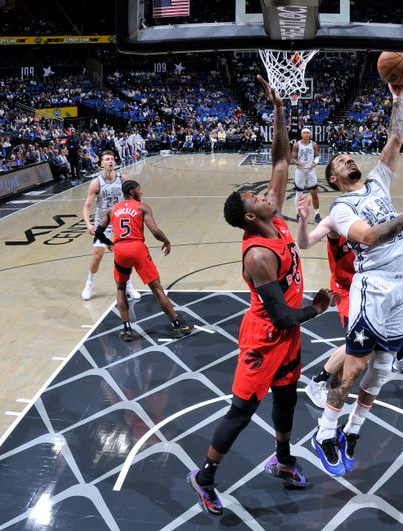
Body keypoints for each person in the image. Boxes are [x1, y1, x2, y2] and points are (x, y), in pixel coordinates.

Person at [188, 75, 333, 516]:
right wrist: (318, 308)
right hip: (264, 335)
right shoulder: (257, 256)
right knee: (241, 412)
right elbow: (284, 316)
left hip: (287, 337)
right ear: (251, 214)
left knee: (286, 398)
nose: (267, 193)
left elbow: (279, 162)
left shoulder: (277, 221)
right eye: (257, 196)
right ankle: (205, 476)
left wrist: (278, 109)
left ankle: (283, 460)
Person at [311, 79, 403, 478]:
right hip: (372, 287)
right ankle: (325, 431)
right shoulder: (340, 207)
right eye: (338, 162)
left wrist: (398, 97)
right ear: (333, 178)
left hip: (400, 285)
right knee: (353, 368)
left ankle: (353, 430)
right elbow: (368, 237)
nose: (347, 160)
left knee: (383, 368)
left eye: (349, 156)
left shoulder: (377, 181)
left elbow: (396, 138)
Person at [295, 195, 403, 410]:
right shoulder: (334, 221)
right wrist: (303, 219)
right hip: (347, 288)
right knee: (359, 341)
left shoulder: (370, 218)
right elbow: (304, 243)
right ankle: (317, 382)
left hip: (376, 282)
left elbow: (393, 225)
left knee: (392, 320)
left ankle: (400, 358)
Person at [93, 180, 192, 340]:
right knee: (156, 288)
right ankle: (177, 325)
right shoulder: (142, 207)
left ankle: (126, 329)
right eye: (139, 190)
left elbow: (98, 232)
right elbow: (155, 231)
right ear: (132, 192)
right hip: (137, 248)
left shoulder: (112, 210)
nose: (142, 192)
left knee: (120, 288)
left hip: (120, 251)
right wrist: (166, 241)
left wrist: (110, 244)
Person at [81, 150, 140, 301]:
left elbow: (134, 197)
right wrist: (88, 224)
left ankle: (129, 286)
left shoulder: (123, 178)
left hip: (120, 221)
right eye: (107, 159)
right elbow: (86, 207)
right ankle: (89, 284)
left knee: (126, 255)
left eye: (112, 159)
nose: (110, 161)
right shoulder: (96, 183)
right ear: (101, 163)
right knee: (97, 255)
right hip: (103, 222)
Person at [291, 127, 321, 223]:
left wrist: (316, 162)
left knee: (314, 193)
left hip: (311, 170)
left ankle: (317, 214)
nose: (306, 134)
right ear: (301, 134)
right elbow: (293, 159)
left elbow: (317, 156)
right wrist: (299, 164)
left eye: (308, 133)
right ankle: (298, 214)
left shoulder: (314, 144)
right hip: (300, 171)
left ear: (310, 134)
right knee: (299, 194)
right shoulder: (296, 145)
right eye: (304, 133)